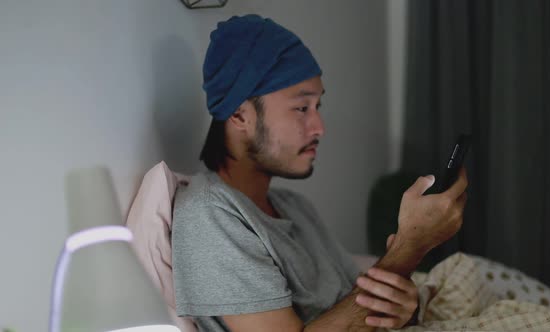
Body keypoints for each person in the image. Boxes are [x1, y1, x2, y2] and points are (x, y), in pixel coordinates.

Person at [172, 14, 468, 332]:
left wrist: (401, 307)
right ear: (239, 115)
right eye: (302, 108)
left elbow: (360, 302)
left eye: (318, 107)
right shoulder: (208, 213)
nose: (319, 128)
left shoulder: (296, 208)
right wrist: (410, 246)